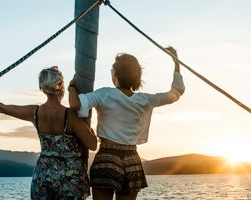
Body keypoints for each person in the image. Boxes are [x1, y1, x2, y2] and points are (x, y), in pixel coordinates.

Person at [0, 66, 98, 199]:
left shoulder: (35, 112)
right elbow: (92, 144)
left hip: (43, 177)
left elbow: (2, 108)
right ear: (61, 87)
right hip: (70, 181)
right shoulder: (70, 116)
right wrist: (88, 127)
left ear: (42, 88)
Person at [68, 47, 184, 200]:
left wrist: (71, 88)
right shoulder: (144, 99)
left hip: (107, 158)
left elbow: (75, 105)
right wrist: (176, 62)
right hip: (132, 161)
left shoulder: (104, 94)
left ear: (116, 73)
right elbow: (175, 93)